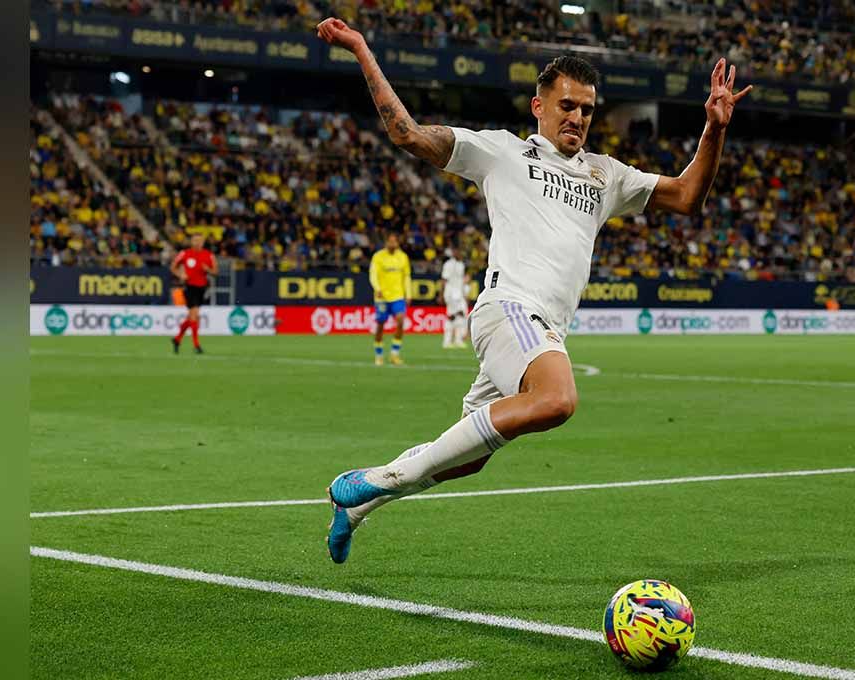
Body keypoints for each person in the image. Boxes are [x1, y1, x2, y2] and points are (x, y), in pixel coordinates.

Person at [315, 16, 751, 564]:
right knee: (558, 399)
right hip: (510, 310)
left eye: (588, 110)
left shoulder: (605, 175)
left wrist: (714, 129)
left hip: (540, 326)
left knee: (467, 458)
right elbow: (407, 133)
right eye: (567, 105)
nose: (578, 118)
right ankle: (378, 478)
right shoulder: (501, 152)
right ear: (538, 106)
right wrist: (360, 49)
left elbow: (688, 196)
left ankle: (355, 504)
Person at [368, 233, 411, 366]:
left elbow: (406, 277)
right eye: (390, 241)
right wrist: (377, 288)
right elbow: (373, 274)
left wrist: (408, 294)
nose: (392, 244)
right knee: (380, 325)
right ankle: (379, 354)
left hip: (397, 296)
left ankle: (394, 354)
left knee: (400, 321)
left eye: (395, 241)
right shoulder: (378, 257)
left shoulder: (403, 257)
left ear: (398, 243)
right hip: (382, 297)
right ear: (386, 242)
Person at [171, 233, 217, 354]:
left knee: (192, 317)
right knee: (195, 314)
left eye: (199, 241)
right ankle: (196, 345)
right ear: (191, 242)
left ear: (203, 242)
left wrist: (208, 270)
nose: (197, 243)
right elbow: (173, 267)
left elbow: (215, 272)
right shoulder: (185, 253)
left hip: (201, 288)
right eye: (195, 240)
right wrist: (181, 274)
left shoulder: (209, 255)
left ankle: (177, 339)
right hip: (189, 287)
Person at [441, 245, 470, 349]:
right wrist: (441, 294)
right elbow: (444, 280)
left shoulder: (461, 264)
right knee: (452, 316)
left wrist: (464, 294)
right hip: (450, 293)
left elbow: (461, 282)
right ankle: (447, 341)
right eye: (457, 251)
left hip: (459, 294)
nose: (459, 254)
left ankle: (457, 340)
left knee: (461, 314)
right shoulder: (448, 264)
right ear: (453, 252)